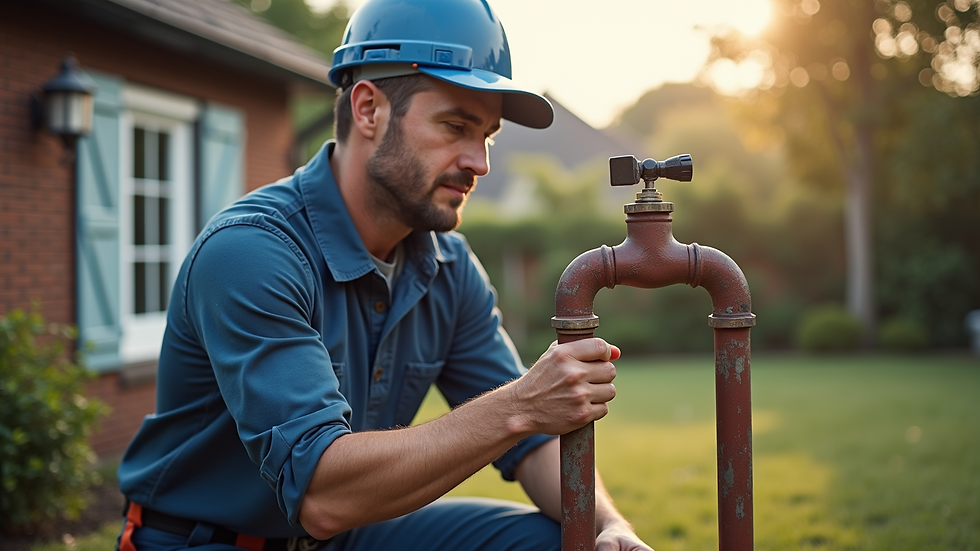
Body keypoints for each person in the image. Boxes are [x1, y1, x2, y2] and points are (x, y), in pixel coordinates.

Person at [116, 0, 654, 550]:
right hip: (207, 540)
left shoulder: (448, 266)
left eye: (488, 136)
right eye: (455, 126)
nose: (480, 162)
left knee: (561, 542)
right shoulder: (252, 252)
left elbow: (531, 441)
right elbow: (324, 494)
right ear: (369, 109)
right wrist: (518, 405)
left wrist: (608, 525)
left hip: (344, 536)